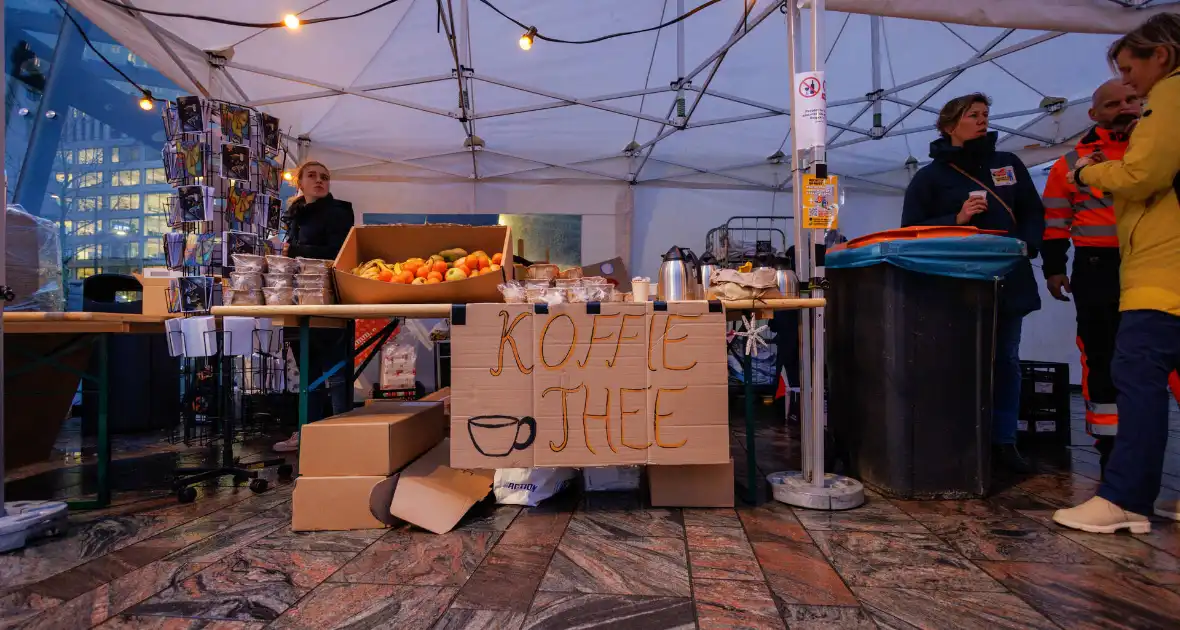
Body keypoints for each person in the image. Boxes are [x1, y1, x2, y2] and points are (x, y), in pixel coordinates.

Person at [1053, 14, 1180, 533]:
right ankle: (1118, 475)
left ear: (1162, 57)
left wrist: (1092, 174)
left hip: (1159, 268)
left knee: (1137, 376)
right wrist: (1055, 266)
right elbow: (1055, 218)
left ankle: (1125, 496)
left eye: (1132, 74)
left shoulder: (1170, 97)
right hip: (1107, 269)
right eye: (1118, 90)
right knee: (1114, 370)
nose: (1131, 90)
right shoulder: (1074, 155)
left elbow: (1143, 174)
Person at [900, 93, 1046, 473]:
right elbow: (910, 231)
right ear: (950, 125)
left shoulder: (1008, 165)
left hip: (1007, 279)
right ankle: (957, 438)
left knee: (1006, 359)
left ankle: (1003, 441)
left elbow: (1033, 210)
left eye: (985, 114)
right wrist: (957, 217)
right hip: (952, 285)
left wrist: (1027, 246)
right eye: (973, 115)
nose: (982, 121)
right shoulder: (929, 177)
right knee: (953, 360)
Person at [272, 161, 356, 453]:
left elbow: (340, 253)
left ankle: (342, 434)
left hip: (328, 300)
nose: (319, 181)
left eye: (325, 176)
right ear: (300, 183)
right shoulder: (295, 216)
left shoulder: (338, 213)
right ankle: (308, 432)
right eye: (312, 176)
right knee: (307, 371)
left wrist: (294, 252)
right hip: (298, 301)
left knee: (334, 370)